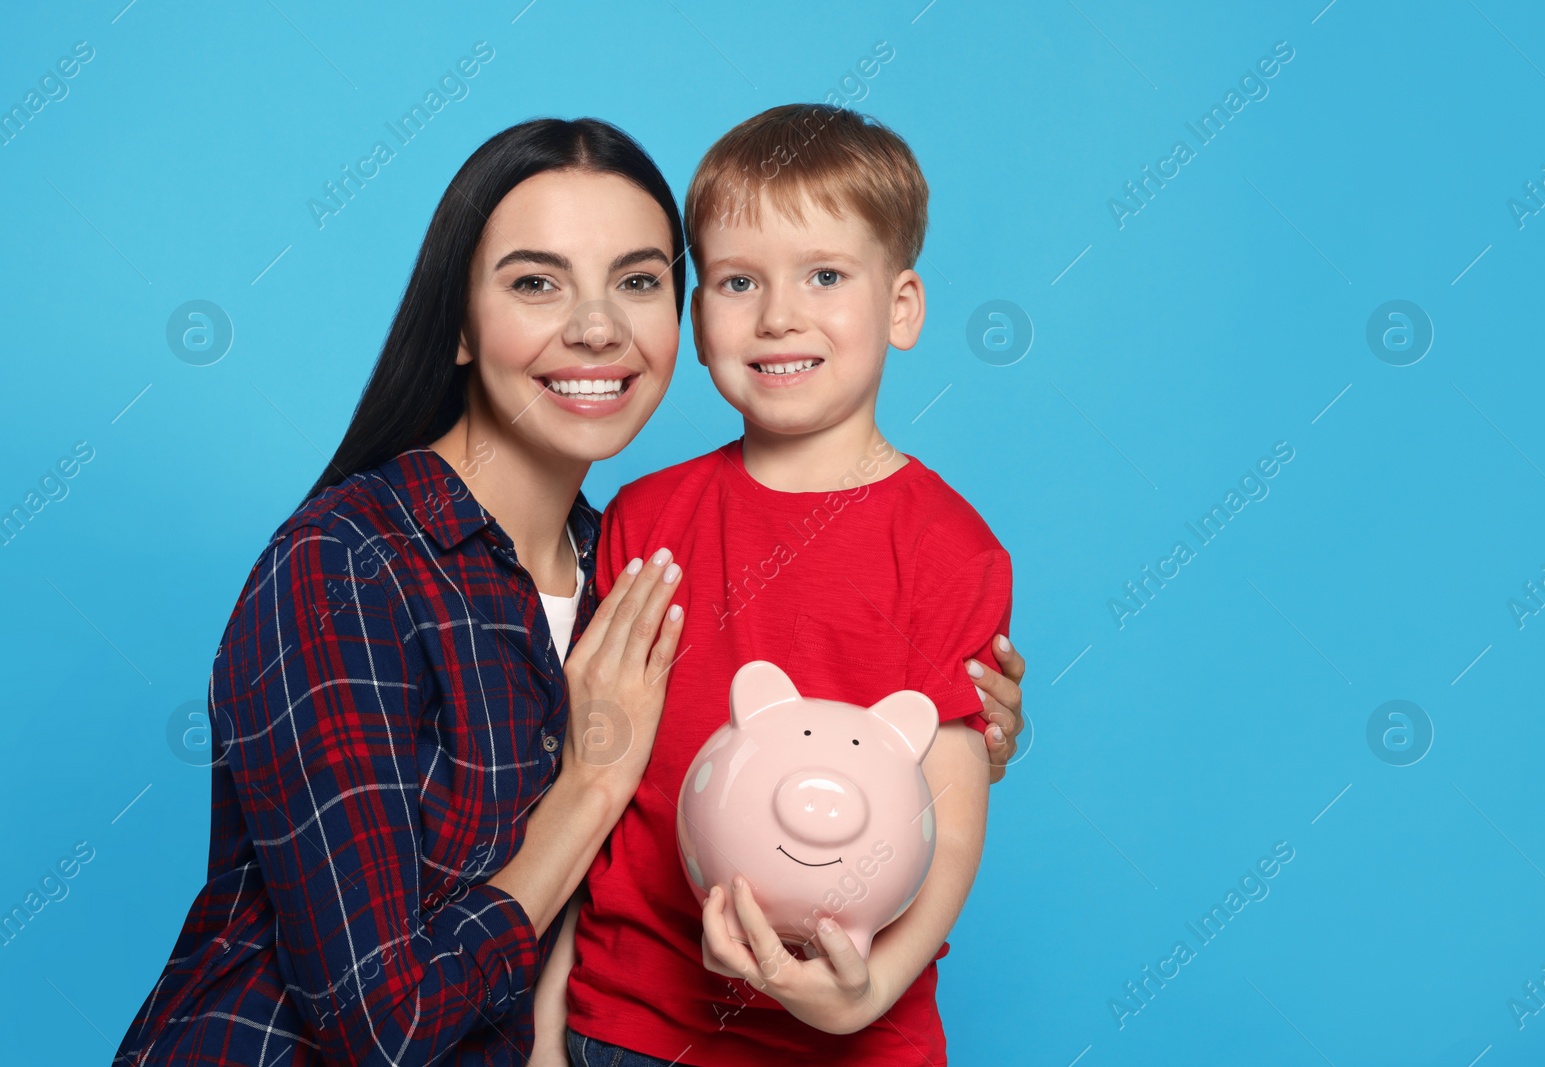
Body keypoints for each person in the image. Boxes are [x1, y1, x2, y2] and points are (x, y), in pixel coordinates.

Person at [112, 117, 1026, 1066]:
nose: (596, 327)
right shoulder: (347, 568)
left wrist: (935, 739)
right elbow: (380, 1024)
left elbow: (802, 733)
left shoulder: (618, 558)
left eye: (635, 281)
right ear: (460, 322)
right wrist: (592, 785)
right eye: (536, 282)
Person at [540, 104, 1016, 1067]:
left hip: (851, 1037)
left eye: (826, 276)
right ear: (697, 320)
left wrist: (866, 993)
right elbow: (597, 786)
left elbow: (954, 820)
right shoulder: (644, 518)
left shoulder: (950, 549)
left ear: (902, 308)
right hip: (630, 1025)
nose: (777, 315)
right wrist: (548, 1021)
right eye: (737, 281)